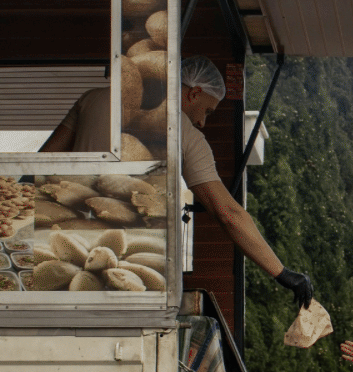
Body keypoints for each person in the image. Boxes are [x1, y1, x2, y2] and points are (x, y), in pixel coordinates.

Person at [40, 56, 312, 309]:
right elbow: (228, 213)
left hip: (65, 242)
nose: (202, 121)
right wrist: (282, 273)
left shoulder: (95, 98)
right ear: (193, 92)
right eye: (206, 110)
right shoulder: (185, 133)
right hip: (123, 256)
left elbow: (44, 161)